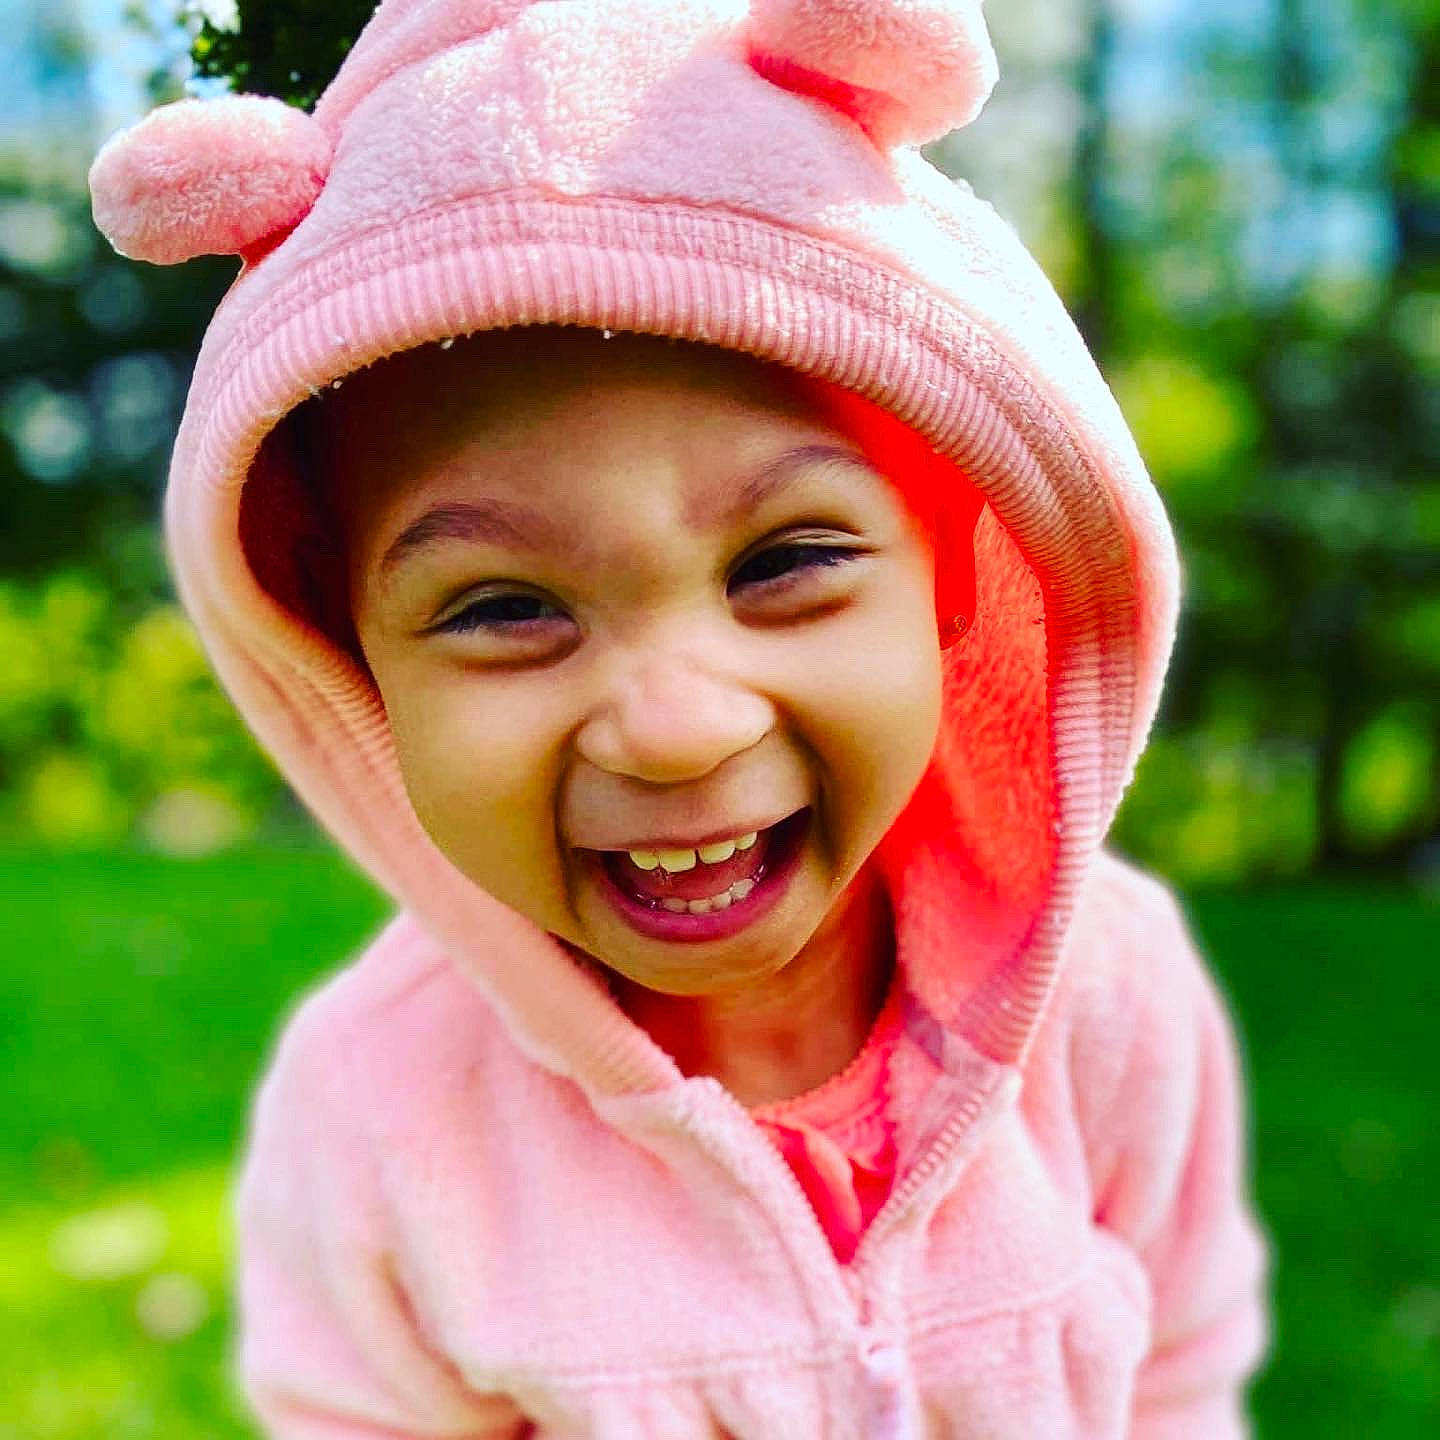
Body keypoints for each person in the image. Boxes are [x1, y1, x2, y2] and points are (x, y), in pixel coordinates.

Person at [89, 0, 1271, 1434]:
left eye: (785, 562)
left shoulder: (1115, 1000)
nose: (674, 727)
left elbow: (1181, 1380)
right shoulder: (377, 1109)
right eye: (502, 607)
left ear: (956, 565)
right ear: (345, 657)